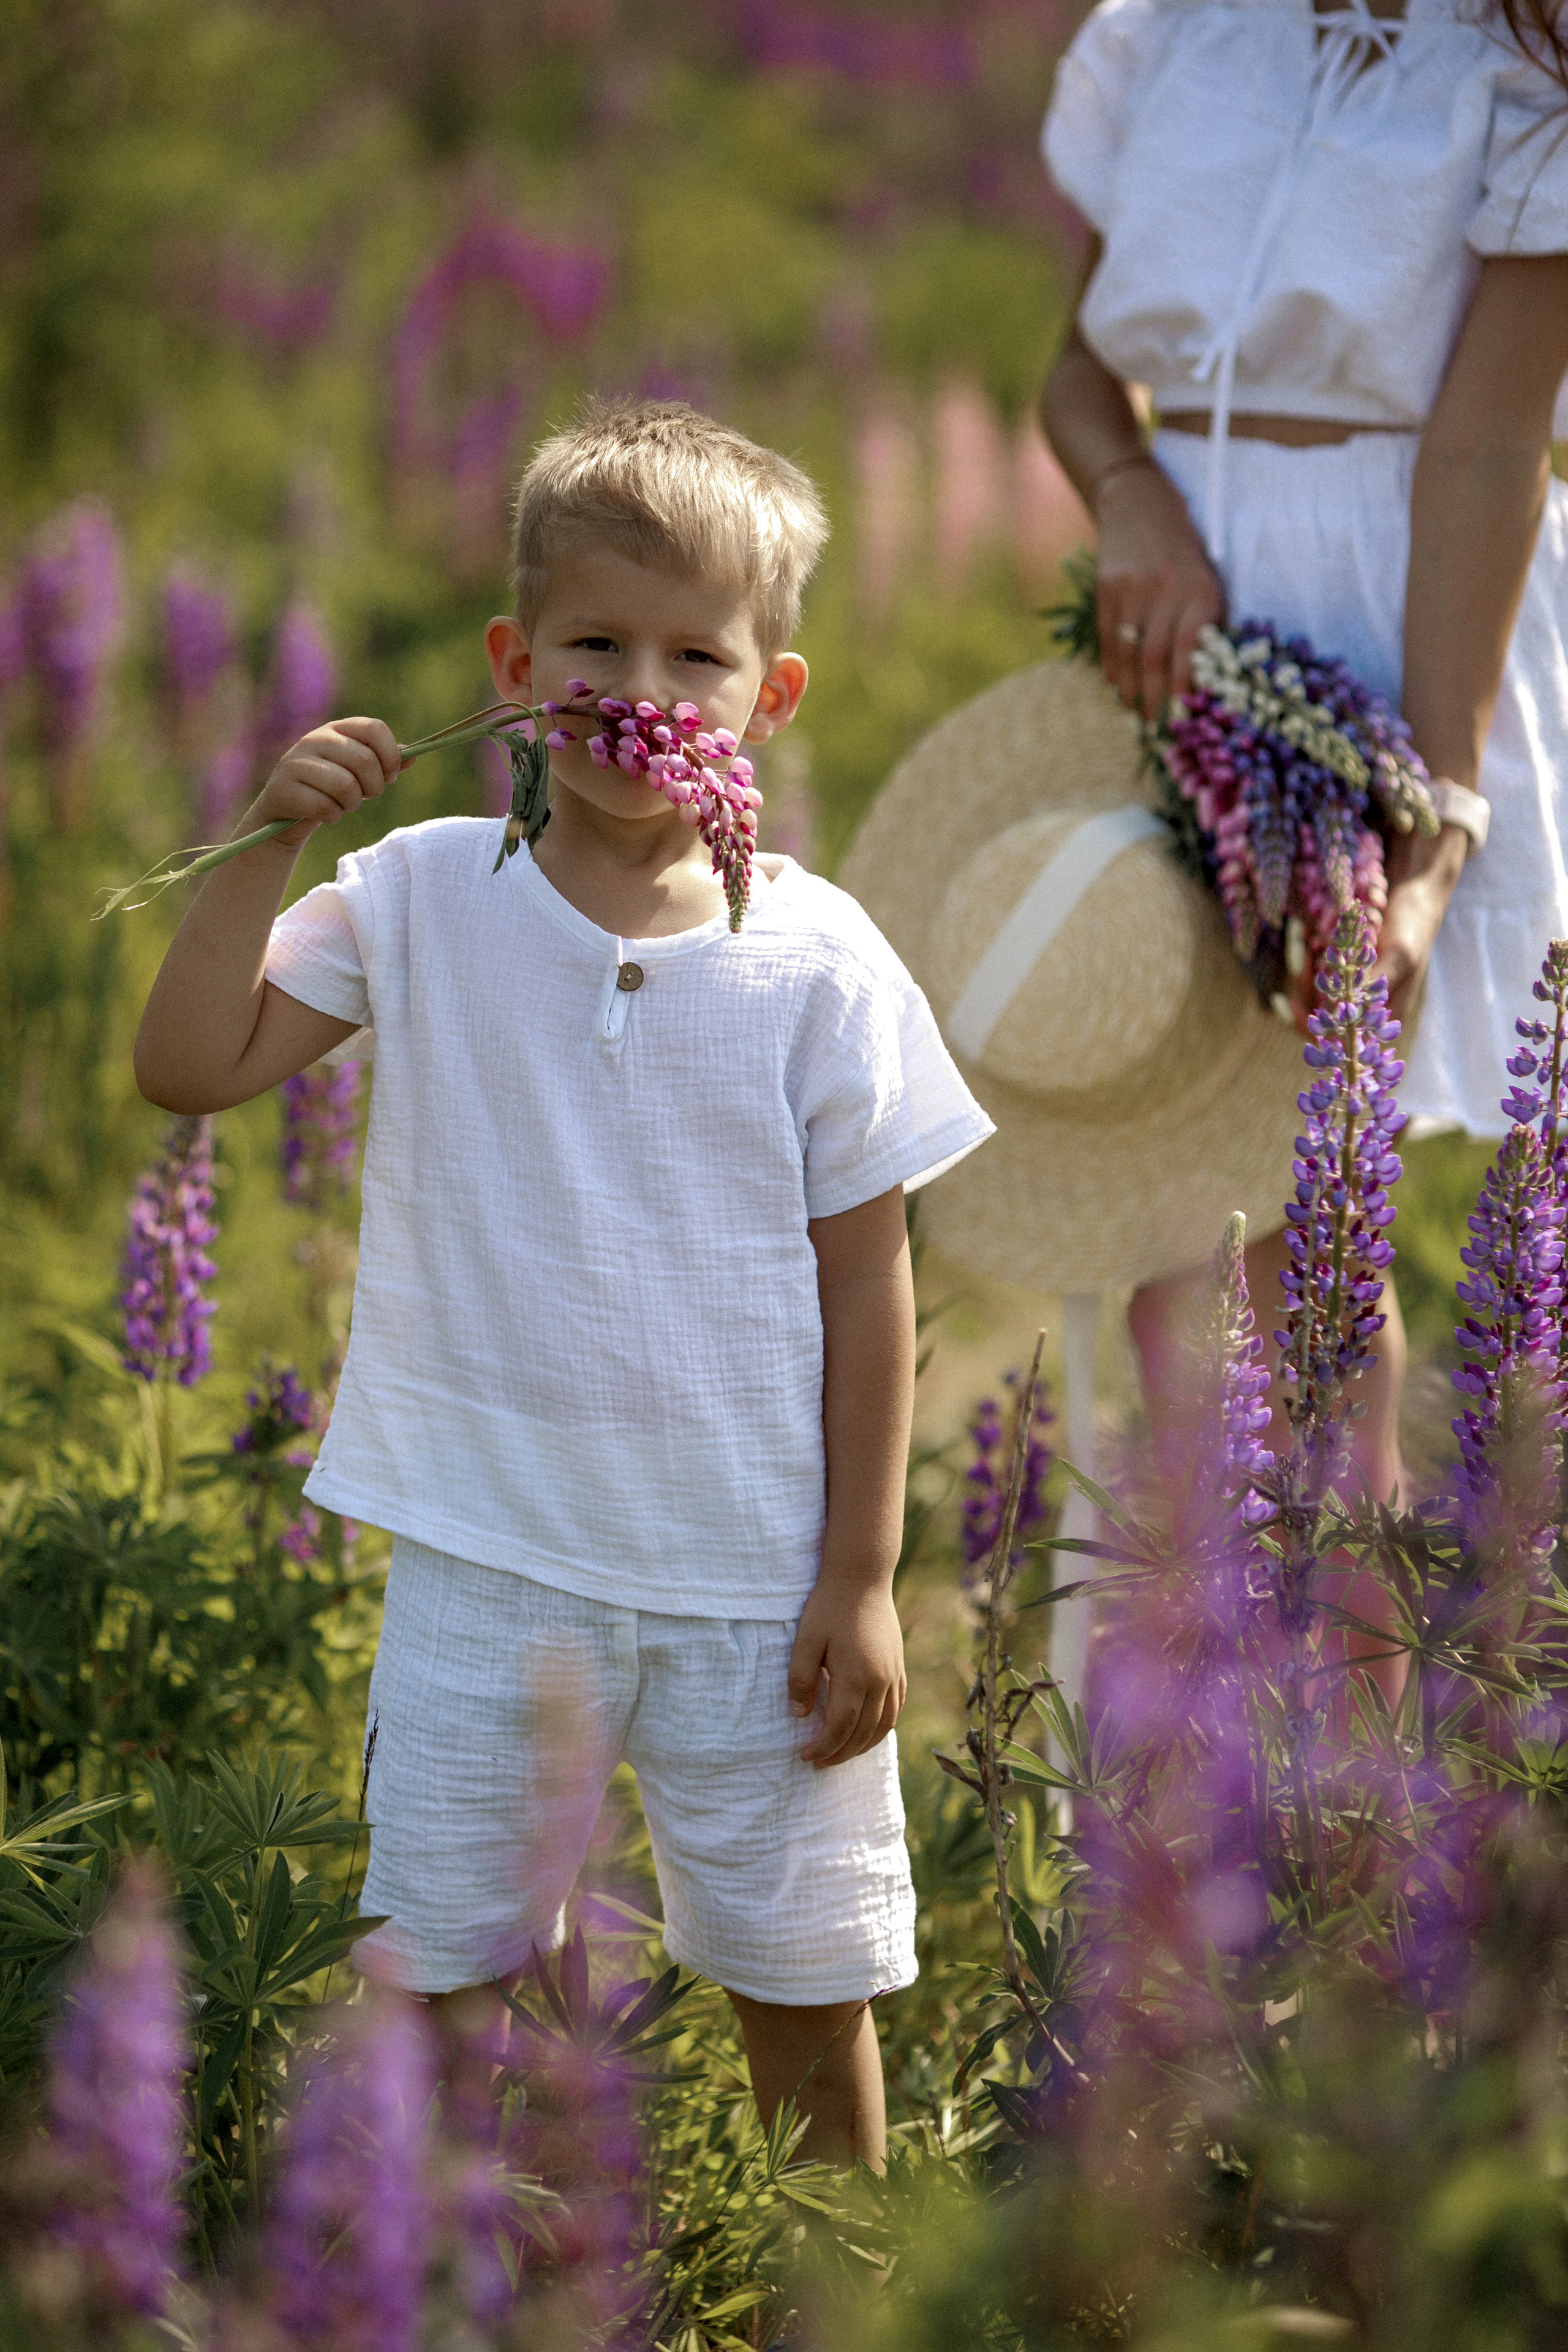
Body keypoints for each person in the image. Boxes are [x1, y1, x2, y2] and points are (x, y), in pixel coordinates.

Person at [133, 398, 994, 2166]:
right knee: (446, 1975)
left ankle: (813, 2298)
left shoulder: (818, 958)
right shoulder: (429, 893)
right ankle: (452, 2279)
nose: (640, 685)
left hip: (756, 1584)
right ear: (514, 662)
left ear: (775, 695)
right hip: (489, 1550)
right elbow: (190, 1065)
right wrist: (264, 844)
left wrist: (862, 1575)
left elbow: (872, 1289)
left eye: (697, 652)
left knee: (804, 1986)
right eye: (596, 642)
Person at [1036, 0, 1568, 1512]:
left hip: (1395, 633)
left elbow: (1486, 452)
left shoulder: (1525, 59)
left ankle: (1328, 1700)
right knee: (1165, 1199)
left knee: (1298, 1209)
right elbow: (1075, 374)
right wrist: (1130, 495)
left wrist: (1434, 816)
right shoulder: (1176, 26)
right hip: (1164, 623)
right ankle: (1215, 1685)